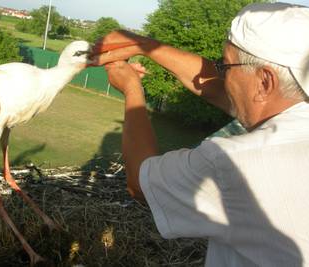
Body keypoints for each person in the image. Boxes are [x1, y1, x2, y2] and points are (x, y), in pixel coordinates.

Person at [91, 2, 309, 266]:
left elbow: (140, 183)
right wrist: (143, 45)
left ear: (265, 81)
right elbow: (223, 91)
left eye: (225, 67)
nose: (221, 77)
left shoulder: (236, 163)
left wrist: (132, 89)